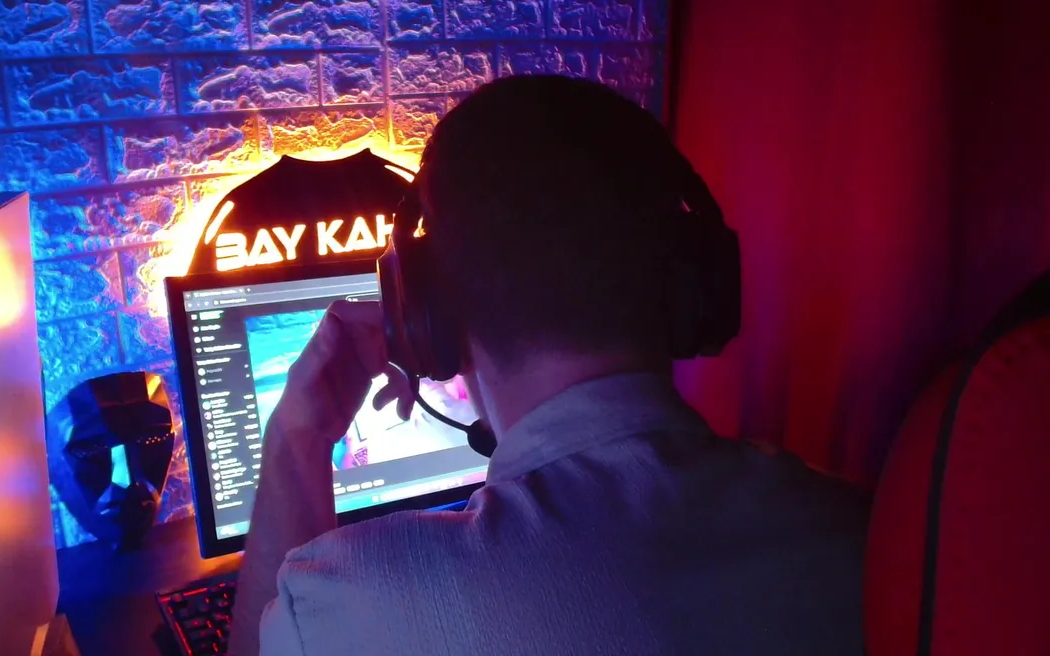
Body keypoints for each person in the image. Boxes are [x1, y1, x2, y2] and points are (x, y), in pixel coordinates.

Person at [227, 76, 870, 656]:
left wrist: (294, 442)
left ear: (426, 322)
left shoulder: (349, 604)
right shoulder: (869, 535)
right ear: (696, 289)